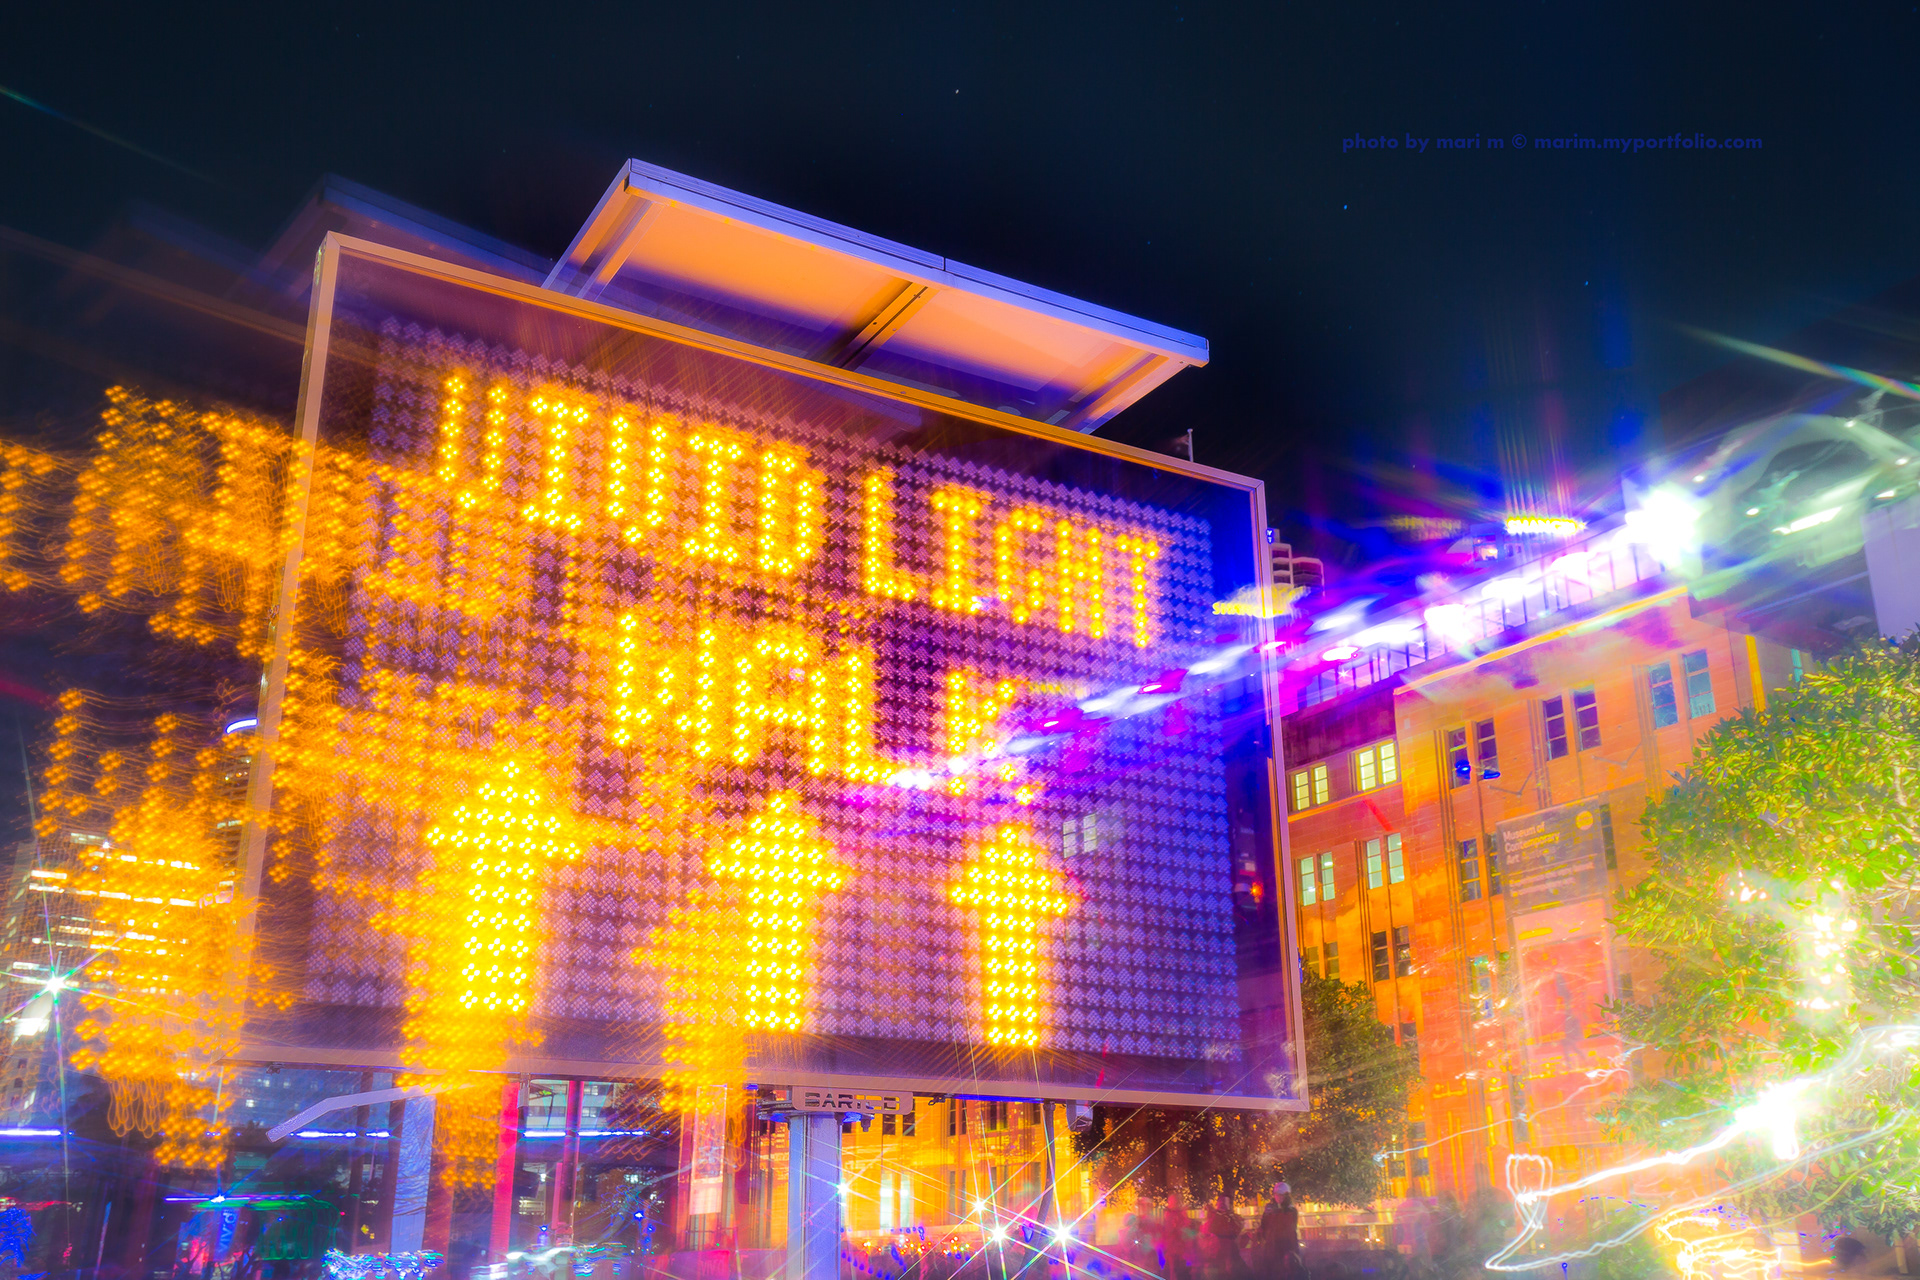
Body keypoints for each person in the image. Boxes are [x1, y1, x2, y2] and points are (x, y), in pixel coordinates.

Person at [1259, 1183, 1300, 1279]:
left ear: (1286, 1196)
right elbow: (1264, 1227)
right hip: (1272, 1248)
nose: (1278, 1197)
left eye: (1281, 1195)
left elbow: (1291, 1230)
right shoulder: (1270, 1210)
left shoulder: (1291, 1211)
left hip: (1286, 1247)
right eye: (1276, 1194)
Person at [1204, 1194, 1243, 1280]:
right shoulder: (1215, 1216)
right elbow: (1209, 1229)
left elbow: (1236, 1230)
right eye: (1221, 1203)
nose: (1223, 1205)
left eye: (1225, 1203)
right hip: (1218, 1250)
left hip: (1229, 1250)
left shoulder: (1231, 1217)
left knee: (1229, 1271)